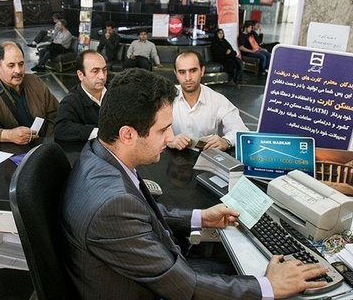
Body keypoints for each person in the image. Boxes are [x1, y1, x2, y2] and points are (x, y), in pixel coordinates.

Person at [61, 68, 328, 299]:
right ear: (128, 134)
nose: (170, 137)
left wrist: (201, 217)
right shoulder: (111, 204)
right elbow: (184, 286)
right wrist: (269, 287)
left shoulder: (99, 154)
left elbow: (138, 212)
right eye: (162, 129)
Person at [168, 50, 248, 151]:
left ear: (202, 71)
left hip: (206, 156)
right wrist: (168, 139)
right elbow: (151, 129)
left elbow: (240, 130)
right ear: (175, 73)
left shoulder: (217, 100)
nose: (188, 78)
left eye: (193, 71)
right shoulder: (165, 98)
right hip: (172, 156)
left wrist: (226, 141)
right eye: (182, 72)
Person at [54, 50, 107, 142]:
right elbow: (61, 129)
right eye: (95, 71)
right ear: (81, 75)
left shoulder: (116, 90)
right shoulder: (71, 101)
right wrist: (99, 133)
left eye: (104, 70)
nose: (102, 76)